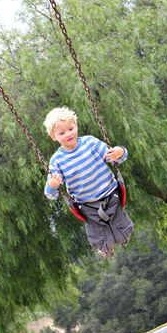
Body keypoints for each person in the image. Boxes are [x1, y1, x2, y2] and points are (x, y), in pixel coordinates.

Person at [43, 107, 134, 257]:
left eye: (71, 129)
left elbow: (115, 156)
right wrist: (52, 185)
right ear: (54, 137)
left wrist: (120, 152)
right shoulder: (57, 161)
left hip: (110, 194)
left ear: (76, 126)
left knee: (121, 227)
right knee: (98, 234)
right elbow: (50, 194)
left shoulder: (90, 142)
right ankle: (104, 249)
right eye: (62, 133)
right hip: (86, 204)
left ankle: (124, 237)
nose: (68, 134)